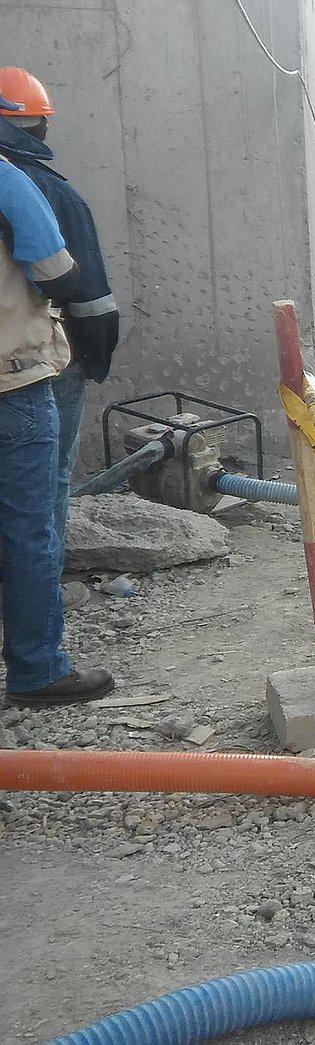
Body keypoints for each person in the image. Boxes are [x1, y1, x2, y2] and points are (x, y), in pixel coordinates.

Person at [0, 140, 115, 705]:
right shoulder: (10, 179)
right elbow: (62, 275)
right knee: (28, 528)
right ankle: (37, 671)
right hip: (11, 383)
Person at [0, 68, 120, 546]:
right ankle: (40, 591)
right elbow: (86, 294)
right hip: (45, 361)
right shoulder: (46, 192)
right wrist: (96, 358)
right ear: (41, 127)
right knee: (46, 486)